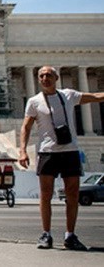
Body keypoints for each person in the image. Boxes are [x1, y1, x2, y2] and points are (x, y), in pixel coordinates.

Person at [19, 65, 104, 251]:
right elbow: (25, 127)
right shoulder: (34, 101)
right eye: (41, 75)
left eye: (48, 75)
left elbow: (96, 97)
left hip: (70, 151)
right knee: (46, 195)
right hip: (47, 152)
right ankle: (46, 234)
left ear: (56, 77)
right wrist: (22, 151)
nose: (44, 78)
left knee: (73, 195)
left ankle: (70, 235)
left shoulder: (68, 95)